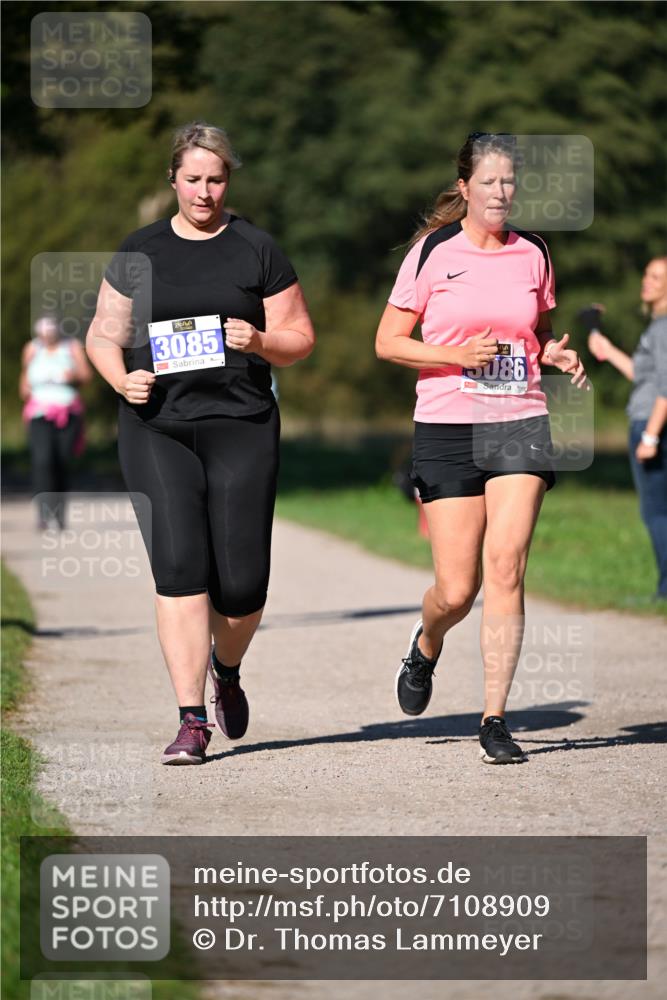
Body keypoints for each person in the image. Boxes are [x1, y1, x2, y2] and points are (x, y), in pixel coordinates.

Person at [86, 121, 315, 764]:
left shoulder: (256, 249)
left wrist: (261, 341)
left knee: (242, 588)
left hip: (241, 426)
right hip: (157, 426)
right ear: (174, 180)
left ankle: (227, 669)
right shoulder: (140, 249)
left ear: (228, 182)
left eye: (216, 180)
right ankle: (190, 719)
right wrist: (119, 379)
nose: (204, 192)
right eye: (193, 179)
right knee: (181, 568)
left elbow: (299, 338)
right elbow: (104, 334)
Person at [375, 132, 588, 765]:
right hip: (446, 425)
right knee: (456, 588)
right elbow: (388, 341)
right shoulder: (432, 252)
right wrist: (453, 355)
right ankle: (427, 644)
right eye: (488, 182)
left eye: (509, 182)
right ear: (465, 187)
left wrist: (553, 354)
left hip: (519, 417)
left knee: (507, 565)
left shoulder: (535, 252)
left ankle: (495, 717)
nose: (500, 193)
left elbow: (538, 332)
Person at [587, 256, 667, 599]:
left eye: (655, 277)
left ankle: (665, 591)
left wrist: (650, 435)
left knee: (656, 512)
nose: (645, 281)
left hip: (653, 427)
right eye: (646, 274)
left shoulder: (663, 328)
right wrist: (607, 350)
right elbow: (643, 375)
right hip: (652, 421)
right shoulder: (658, 326)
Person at [20, 315, 91, 530]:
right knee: (43, 462)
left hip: (67, 413)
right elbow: (24, 382)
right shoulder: (32, 349)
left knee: (61, 462)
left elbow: (86, 375)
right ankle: (44, 513)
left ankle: (59, 514)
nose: (48, 336)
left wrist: (72, 376)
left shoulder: (72, 347)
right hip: (39, 414)